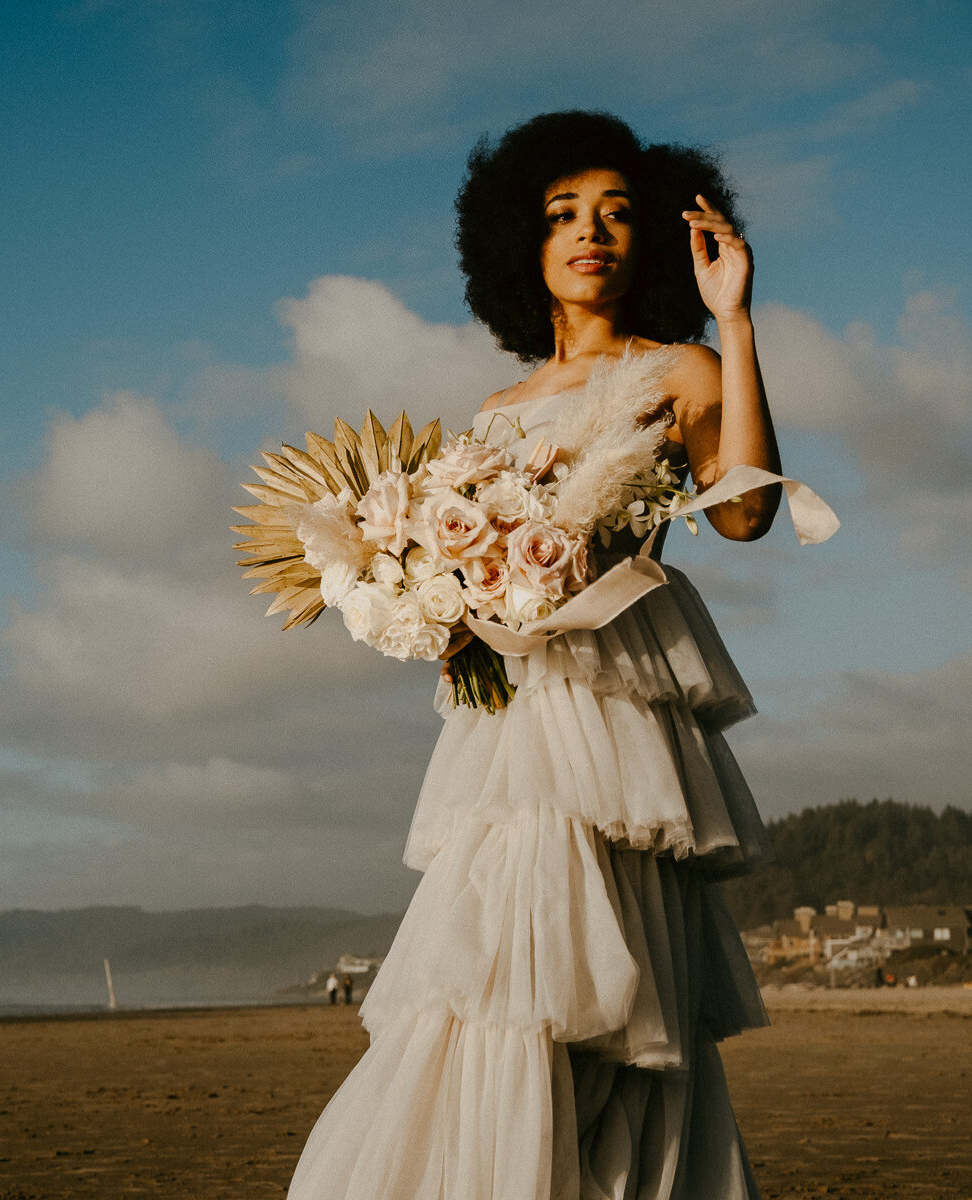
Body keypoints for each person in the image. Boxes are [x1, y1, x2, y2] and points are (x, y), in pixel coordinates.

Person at [288, 111, 787, 1200]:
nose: (590, 232)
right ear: (523, 240)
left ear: (650, 234)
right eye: (563, 213)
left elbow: (746, 518)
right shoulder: (490, 415)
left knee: (622, 1007)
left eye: (615, 212)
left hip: (620, 722)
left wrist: (736, 321)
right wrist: (418, 601)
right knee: (494, 986)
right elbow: (456, 580)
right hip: (510, 725)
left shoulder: (681, 370)